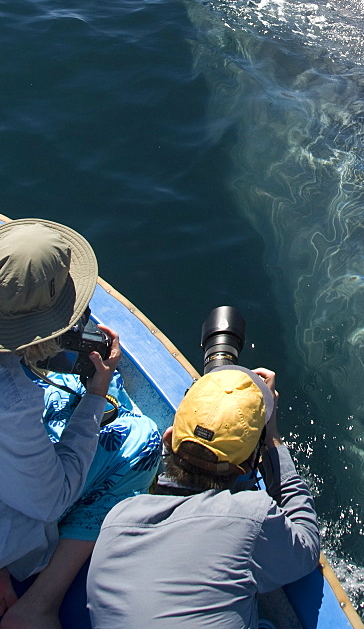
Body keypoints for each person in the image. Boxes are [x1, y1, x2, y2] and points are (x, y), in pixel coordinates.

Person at [0, 218, 162, 629]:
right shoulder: (13, 400)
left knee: (61, 394)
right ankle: (39, 602)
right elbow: (52, 500)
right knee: (140, 441)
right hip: (20, 516)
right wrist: (95, 394)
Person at [87, 363, 320, 629]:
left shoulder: (118, 519)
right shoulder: (251, 516)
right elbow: (307, 548)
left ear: (168, 438)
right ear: (249, 465)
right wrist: (272, 439)